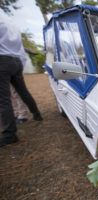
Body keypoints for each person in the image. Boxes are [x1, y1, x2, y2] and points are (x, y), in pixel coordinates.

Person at [0, 10, 43, 147]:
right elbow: (20, 48)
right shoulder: (10, 21)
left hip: (2, 59)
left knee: (4, 99)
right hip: (16, 60)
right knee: (22, 91)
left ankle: (9, 134)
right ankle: (36, 114)